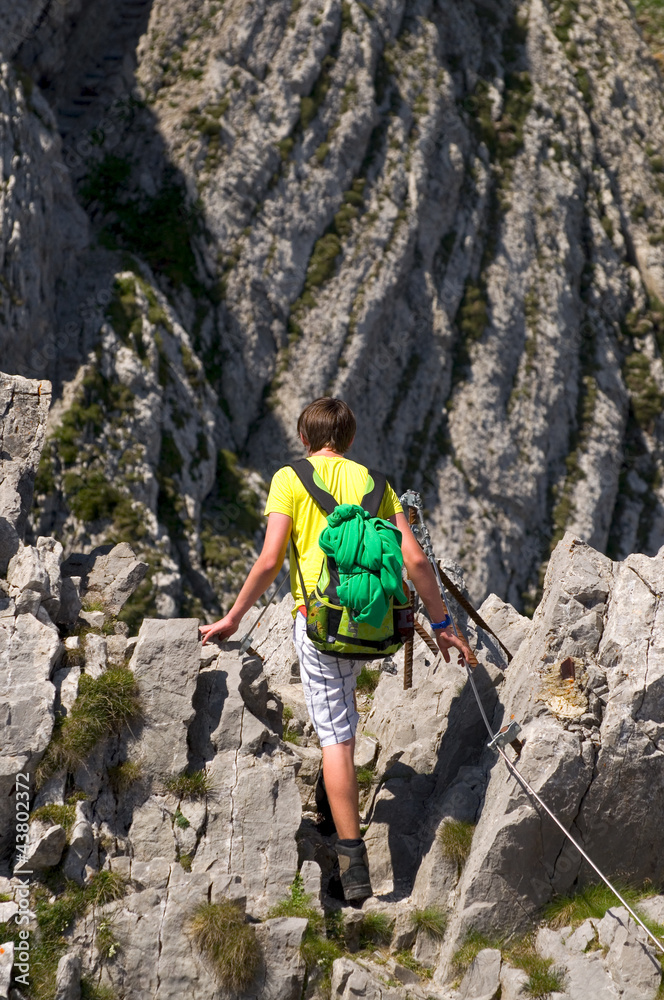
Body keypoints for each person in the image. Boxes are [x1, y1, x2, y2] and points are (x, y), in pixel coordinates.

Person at [200, 397, 471, 902]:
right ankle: (332, 809)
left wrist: (233, 617)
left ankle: (353, 865)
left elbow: (268, 560)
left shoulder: (289, 478)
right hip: (374, 628)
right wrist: (442, 622)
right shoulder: (375, 482)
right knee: (343, 714)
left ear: (305, 438)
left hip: (321, 626)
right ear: (348, 440)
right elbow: (413, 559)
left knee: (337, 740)